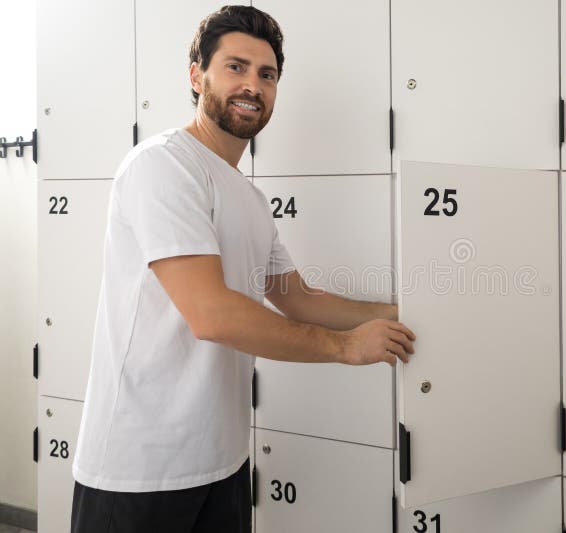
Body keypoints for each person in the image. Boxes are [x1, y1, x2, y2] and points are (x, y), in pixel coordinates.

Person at [70, 6, 415, 532]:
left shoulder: (250, 199)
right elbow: (212, 315)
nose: (252, 85)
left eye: (267, 74)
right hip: (141, 469)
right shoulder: (162, 165)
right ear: (197, 75)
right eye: (236, 67)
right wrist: (347, 347)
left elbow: (300, 298)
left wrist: (404, 314)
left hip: (223, 461)